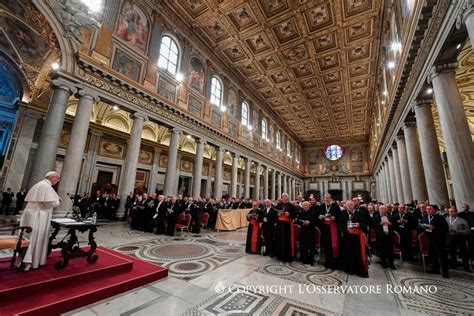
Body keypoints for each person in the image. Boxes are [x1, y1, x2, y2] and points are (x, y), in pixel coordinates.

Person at [17, 172, 61, 271]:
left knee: (28, 237)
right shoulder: (47, 187)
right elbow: (48, 203)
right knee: (36, 237)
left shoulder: (39, 184)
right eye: (57, 179)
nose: (58, 181)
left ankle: (23, 260)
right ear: (52, 177)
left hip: (31, 215)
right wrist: (58, 201)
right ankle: (32, 262)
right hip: (38, 216)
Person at [341, 200, 369, 278]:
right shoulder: (343, 213)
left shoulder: (358, 213)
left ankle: (358, 269)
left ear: (354, 206)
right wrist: (345, 228)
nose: (349, 207)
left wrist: (359, 224)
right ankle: (349, 269)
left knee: (358, 253)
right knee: (348, 253)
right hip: (347, 236)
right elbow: (340, 224)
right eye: (348, 205)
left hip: (357, 237)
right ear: (345, 206)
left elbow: (365, 223)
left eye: (351, 205)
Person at [421, 204, 449, 278]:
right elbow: (420, 225)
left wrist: (434, 228)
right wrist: (423, 226)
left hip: (438, 239)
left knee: (442, 256)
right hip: (429, 238)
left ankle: (445, 271)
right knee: (432, 255)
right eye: (427, 209)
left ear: (435, 210)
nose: (428, 210)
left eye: (430, 209)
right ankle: (435, 269)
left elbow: (445, 229)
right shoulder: (425, 217)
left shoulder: (440, 218)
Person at [318, 193, 342, 269]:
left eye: (328, 198)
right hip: (324, 228)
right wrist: (320, 217)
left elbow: (340, 217)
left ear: (331, 198)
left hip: (333, 227)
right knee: (326, 245)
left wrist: (335, 218)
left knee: (333, 245)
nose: (326, 199)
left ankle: (334, 262)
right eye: (325, 198)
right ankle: (327, 261)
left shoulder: (336, 207)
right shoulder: (321, 206)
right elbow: (318, 216)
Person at [446, 207, 471, 272]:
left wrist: (458, 231)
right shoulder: (446, 219)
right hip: (450, 237)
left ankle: (466, 267)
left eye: (452, 211)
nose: (451, 213)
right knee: (452, 252)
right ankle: (453, 265)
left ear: (456, 212)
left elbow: (468, 231)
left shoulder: (463, 220)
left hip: (460, 238)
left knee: (463, 253)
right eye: (449, 211)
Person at [274, 193, 297, 262]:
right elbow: (274, 214)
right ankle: (279, 255)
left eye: (286, 196)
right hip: (280, 224)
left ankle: (287, 256)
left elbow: (295, 215)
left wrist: (289, 214)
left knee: (287, 240)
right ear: (281, 197)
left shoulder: (291, 205)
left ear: (288, 197)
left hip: (287, 225)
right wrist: (277, 214)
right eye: (283, 196)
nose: (284, 197)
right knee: (279, 239)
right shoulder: (278, 205)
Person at [372, 205, 396, 269]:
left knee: (390, 250)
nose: (383, 210)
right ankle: (384, 262)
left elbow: (395, 226)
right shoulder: (376, 217)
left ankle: (391, 263)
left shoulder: (391, 217)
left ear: (386, 210)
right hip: (381, 236)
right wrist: (380, 224)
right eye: (382, 209)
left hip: (389, 236)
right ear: (379, 210)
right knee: (382, 250)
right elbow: (373, 226)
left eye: (384, 209)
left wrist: (390, 224)